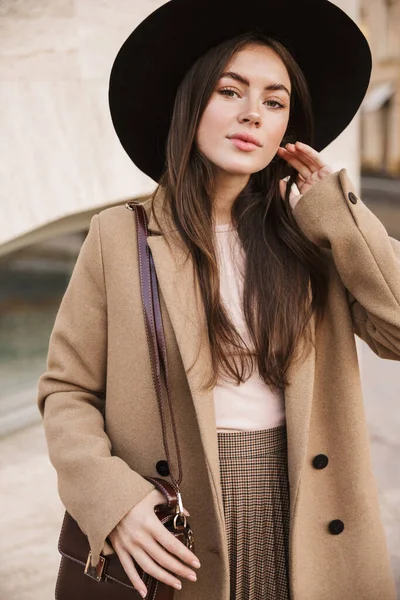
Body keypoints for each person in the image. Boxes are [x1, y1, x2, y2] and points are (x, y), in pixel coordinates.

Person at [37, 0, 400, 599]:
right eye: (230, 91)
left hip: (307, 518)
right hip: (177, 523)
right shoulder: (118, 236)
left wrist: (338, 212)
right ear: (191, 103)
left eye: (274, 101)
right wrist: (114, 500)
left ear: (289, 128)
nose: (253, 114)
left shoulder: (317, 238)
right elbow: (67, 392)